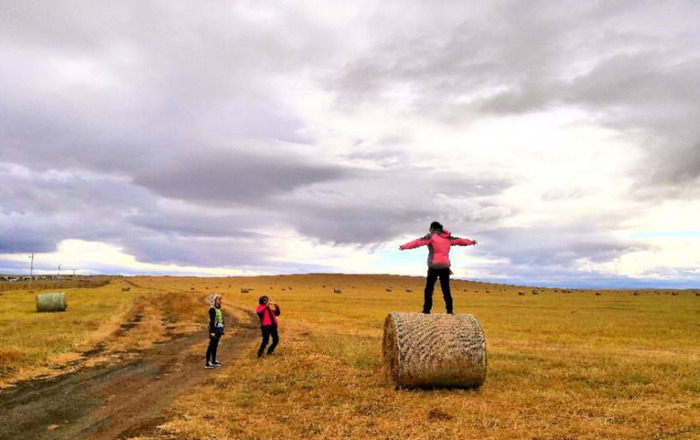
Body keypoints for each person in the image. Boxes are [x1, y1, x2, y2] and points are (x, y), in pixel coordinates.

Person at [399, 221, 477, 314]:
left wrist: (404, 246)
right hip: (445, 267)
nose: (429, 230)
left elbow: (417, 242)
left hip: (434, 266)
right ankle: (450, 310)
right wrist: (471, 242)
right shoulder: (448, 237)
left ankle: (426, 310)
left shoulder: (431, 236)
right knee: (446, 289)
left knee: (429, 288)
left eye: (430, 229)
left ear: (432, 228)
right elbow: (460, 241)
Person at [205, 294, 225, 369]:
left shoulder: (218, 309)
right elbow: (211, 322)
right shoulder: (212, 309)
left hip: (218, 329)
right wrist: (212, 332)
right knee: (211, 346)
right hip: (214, 330)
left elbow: (220, 319)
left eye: (220, 299)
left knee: (215, 346)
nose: (220, 301)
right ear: (214, 301)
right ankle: (207, 363)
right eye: (218, 299)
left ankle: (213, 361)